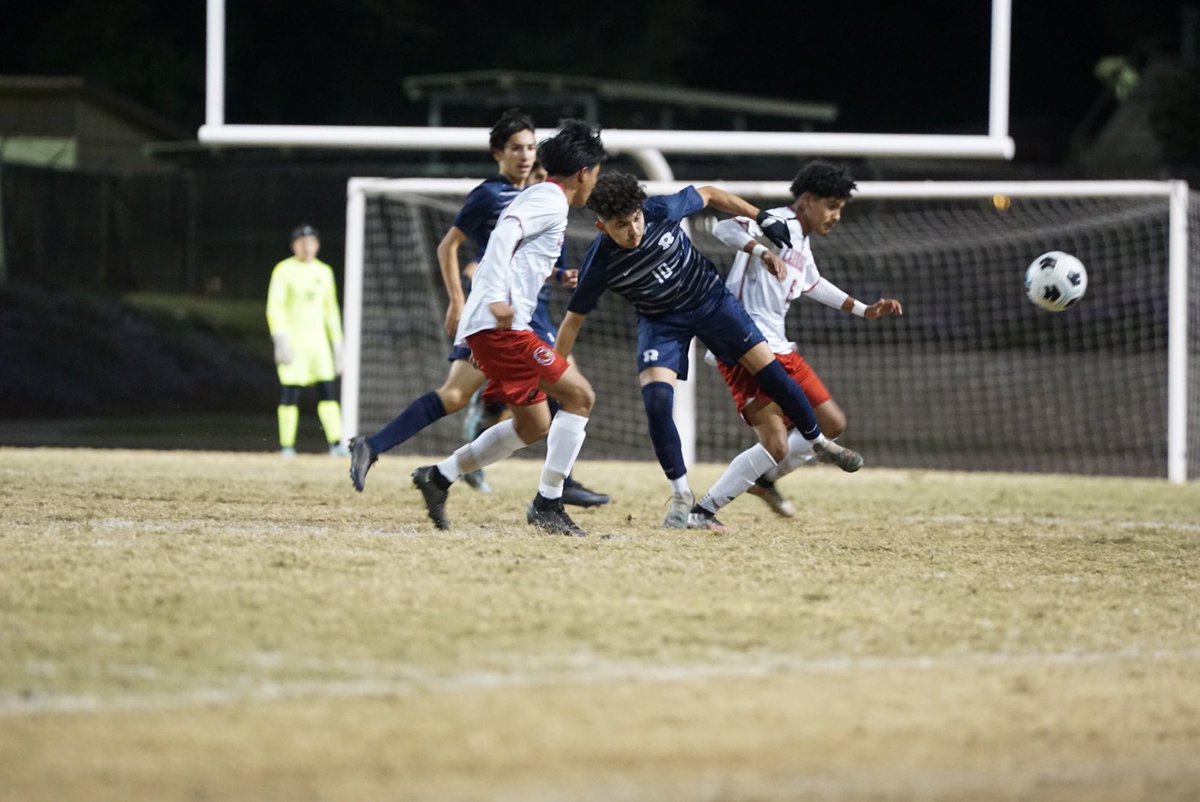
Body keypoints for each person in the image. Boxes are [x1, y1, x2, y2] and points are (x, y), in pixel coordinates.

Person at [554, 172, 863, 531]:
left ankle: (818, 441)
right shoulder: (600, 260)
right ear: (601, 225)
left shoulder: (660, 209)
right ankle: (682, 496)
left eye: (636, 219)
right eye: (621, 226)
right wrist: (555, 373)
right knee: (656, 402)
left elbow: (712, 193)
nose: (634, 231)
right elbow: (572, 320)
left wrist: (760, 217)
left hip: (712, 303)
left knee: (772, 372)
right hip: (661, 323)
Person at [348, 114, 609, 508]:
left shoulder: (538, 195)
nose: (524, 155)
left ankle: (440, 476)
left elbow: (517, 250)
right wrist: (481, 297)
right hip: (502, 323)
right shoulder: (539, 198)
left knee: (534, 423)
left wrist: (554, 276)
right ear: (585, 172)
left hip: (510, 321)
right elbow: (491, 241)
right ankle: (550, 500)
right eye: (515, 147)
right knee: (579, 396)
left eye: (529, 147)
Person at [696, 160, 903, 524]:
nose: (836, 216)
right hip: (748, 345)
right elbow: (725, 227)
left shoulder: (801, 241)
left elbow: (813, 282)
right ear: (807, 200)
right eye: (832, 206)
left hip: (780, 346)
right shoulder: (780, 223)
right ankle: (702, 511)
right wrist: (761, 250)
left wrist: (865, 310)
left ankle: (763, 481)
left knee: (831, 422)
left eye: (841, 208)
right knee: (775, 444)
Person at [266, 223, 348, 457]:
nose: (307, 247)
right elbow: (275, 307)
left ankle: (335, 443)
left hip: (319, 344)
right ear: (294, 246)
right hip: (294, 342)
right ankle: (287, 445)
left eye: (311, 242)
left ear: (318, 245)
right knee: (290, 392)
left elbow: (330, 309)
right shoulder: (283, 270)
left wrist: (337, 344)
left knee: (327, 392)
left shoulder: (324, 272)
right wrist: (280, 338)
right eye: (302, 243)